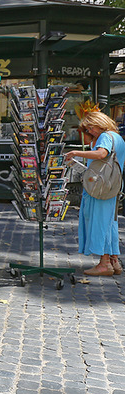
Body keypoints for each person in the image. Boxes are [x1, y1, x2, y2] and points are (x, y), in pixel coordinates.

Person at [65, 111, 125, 276]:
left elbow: (101, 154)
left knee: (100, 223)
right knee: (109, 223)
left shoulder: (106, 136)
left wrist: (76, 153)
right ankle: (114, 261)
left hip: (101, 187)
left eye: (91, 127)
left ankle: (104, 263)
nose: (90, 131)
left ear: (99, 123)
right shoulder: (117, 137)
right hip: (111, 185)